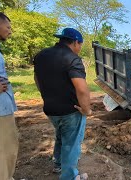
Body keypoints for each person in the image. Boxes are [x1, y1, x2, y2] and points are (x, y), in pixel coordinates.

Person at [34, 28, 91, 180]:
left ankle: (58, 164)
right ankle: (70, 177)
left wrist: (48, 97)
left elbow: (37, 81)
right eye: (80, 44)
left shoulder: (41, 56)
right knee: (71, 144)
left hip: (50, 109)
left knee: (61, 135)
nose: (79, 48)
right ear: (75, 42)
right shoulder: (71, 58)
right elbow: (82, 89)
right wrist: (86, 110)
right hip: (71, 111)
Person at [0, 11, 19, 180]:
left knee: (7, 147)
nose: (10, 31)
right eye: (7, 26)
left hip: (3, 105)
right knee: (4, 149)